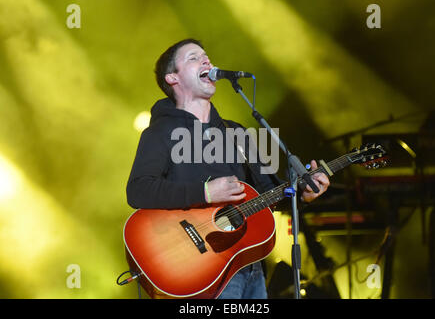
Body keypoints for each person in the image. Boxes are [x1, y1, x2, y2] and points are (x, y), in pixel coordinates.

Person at [126, 38, 330, 299]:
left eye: (206, 56)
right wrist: (206, 193)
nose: (206, 61)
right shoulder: (160, 133)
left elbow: (269, 194)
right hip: (197, 270)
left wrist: (301, 195)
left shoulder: (236, 133)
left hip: (249, 267)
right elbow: (138, 190)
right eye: (194, 58)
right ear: (173, 79)